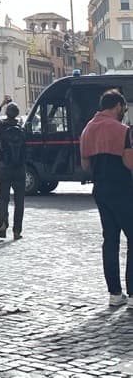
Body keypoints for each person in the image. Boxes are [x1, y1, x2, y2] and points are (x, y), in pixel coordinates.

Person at [80, 89, 133, 307]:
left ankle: (114, 293)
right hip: (122, 188)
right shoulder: (122, 130)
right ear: (117, 106)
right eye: (123, 108)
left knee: (110, 240)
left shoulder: (87, 130)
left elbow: (85, 165)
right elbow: (129, 163)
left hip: (100, 189)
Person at [0, 97, 26, 240]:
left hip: (4, 167)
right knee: (19, 201)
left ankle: (3, 223)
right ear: (16, 114)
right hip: (19, 168)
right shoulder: (21, 129)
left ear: (7, 112)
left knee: (4, 199)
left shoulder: (0, 126)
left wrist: (1, 105)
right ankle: (17, 231)